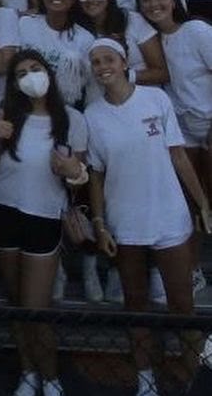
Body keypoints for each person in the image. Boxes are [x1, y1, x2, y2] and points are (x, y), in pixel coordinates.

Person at [86, 37, 211, 395]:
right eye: (95, 62)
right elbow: (95, 174)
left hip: (170, 217)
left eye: (108, 58)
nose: (102, 66)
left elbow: (179, 157)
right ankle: (146, 381)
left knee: (182, 306)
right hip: (125, 224)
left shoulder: (157, 99)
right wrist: (99, 222)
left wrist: (202, 203)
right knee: (136, 305)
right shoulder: (92, 116)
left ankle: (193, 378)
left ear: (124, 63)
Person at [0, 49, 88, 396]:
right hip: (3, 210)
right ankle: (28, 371)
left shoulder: (72, 119)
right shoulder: (2, 109)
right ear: (13, 83)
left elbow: (79, 177)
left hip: (44, 216)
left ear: (48, 72)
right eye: (21, 72)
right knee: (15, 300)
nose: (30, 76)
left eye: (36, 68)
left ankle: (52, 376)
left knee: (35, 307)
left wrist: (73, 171)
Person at [137, 0, 212, 294]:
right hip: (184, 132)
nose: (154, 4)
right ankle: (193, 271)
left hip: (209, 127)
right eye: (146, 0)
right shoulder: (154, 43)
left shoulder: (196, 30)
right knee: (193, 204)